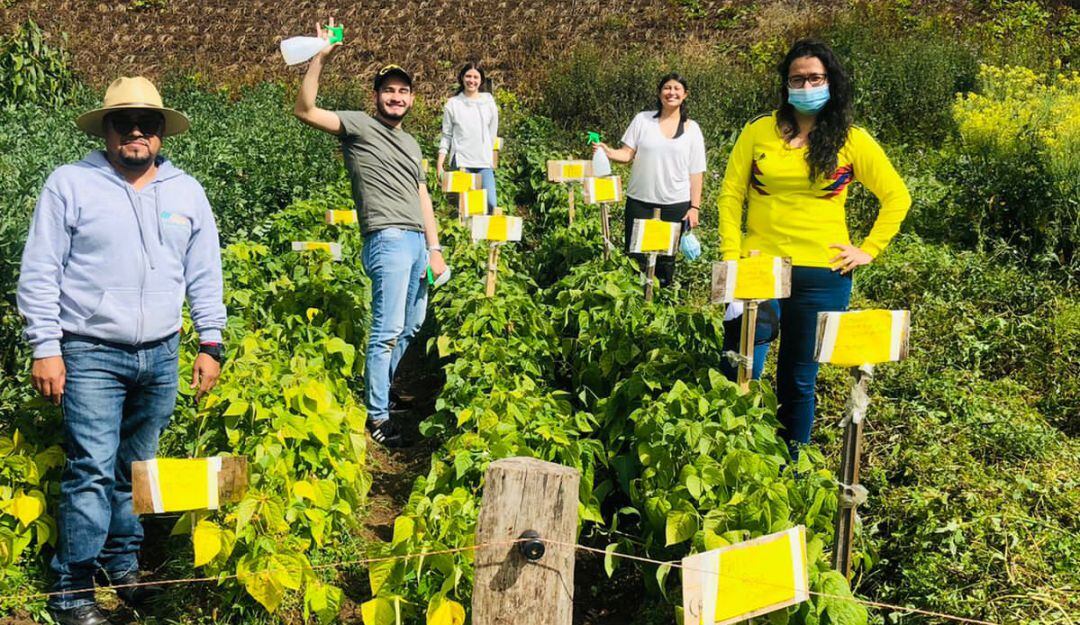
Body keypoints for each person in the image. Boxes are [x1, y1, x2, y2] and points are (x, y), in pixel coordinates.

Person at [17, 76, 226, 625]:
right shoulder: (70, 184)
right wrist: (46, 346)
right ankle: (71, 590)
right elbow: (39, 272)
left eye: (148, 123)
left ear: (162, 133)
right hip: (89, 351)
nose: (136, 131)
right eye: (123, 122)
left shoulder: (187, 191)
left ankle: (123, 566)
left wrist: (211, 342)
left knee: (138, 467)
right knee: (89, 468)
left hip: (160, 352)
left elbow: (205, 273)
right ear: (105, 130)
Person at [717, 39, 911, 451]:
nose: (806, 86)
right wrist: (731, 257)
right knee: (740, 367)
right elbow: (731, 195)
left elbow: (897, 196)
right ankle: (732, 453)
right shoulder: (758, 131)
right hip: (759, 267)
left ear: (830, 82)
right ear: (786, 84)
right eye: (797, 79)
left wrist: (869, 249)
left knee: (798, 378)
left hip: (823, 275)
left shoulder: (851, 139)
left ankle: (789, 463)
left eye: (815, 78)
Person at [293, 19, 447, 448]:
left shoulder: (414, 144)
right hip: (388, 239)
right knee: (387, 330)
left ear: (412, 98)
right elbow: (305, 110)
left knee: (412, 326)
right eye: (388, 90)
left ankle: (384, 392)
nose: (396, 97)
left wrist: (435, 249)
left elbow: (423, 196)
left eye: (403, 91)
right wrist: (319, 59)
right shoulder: (359, 126)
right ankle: (377, 417)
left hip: (417, 243)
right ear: (376, 96)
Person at [594, 73, 706, 286]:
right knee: (636, 256)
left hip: (675, 204)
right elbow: (627, 154)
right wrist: (608, 152)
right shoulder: (642, 120)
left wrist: (695, 207)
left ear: (685, 95)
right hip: (640, 201)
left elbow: (696, 172)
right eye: (667, 88)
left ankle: (660, 300)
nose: (671, 93)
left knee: (666, 260)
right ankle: (635, 302)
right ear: (659, 92)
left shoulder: (692, 129)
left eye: (676, 89)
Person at [436, 62, 500, 214]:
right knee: (465, 209)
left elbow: (492, 132)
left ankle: (484, 237)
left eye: (476, 77)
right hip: (462, 162)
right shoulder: (453, 104)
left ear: (481, 80)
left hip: (483, 162)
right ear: (462, 78)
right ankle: (468, 237)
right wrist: (440, 164)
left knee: (491, 203)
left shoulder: (488, 101)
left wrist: (487, 152)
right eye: (468, 76)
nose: (472, 80)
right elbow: (446, 136)